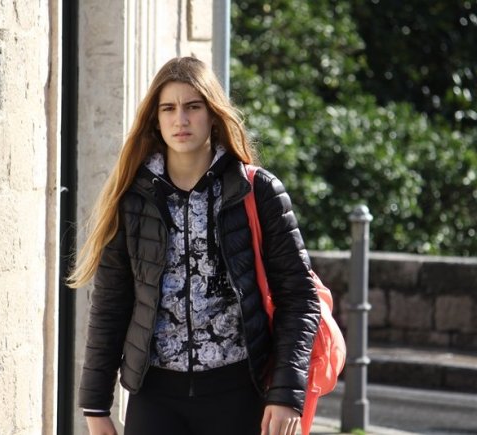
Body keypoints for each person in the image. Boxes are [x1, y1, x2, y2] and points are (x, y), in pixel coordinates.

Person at [69, 56, 321, 435]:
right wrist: (95, 406)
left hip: (238, 393)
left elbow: (299, 297)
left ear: (213, 115)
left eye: (193, 107)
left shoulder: (256, 190)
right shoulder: (133, 198)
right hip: (155, 397)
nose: (181, 120)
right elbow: (110, 305)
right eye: (168, 109)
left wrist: (285, 394)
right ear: (155, 119)